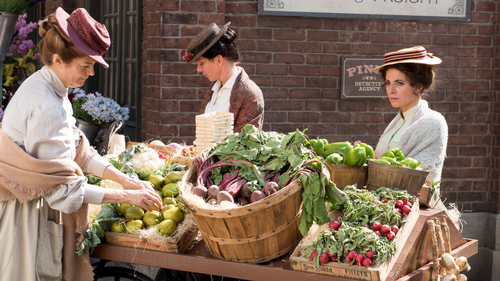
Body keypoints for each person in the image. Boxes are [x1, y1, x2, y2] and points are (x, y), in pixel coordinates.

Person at [0, 8, 162, 281]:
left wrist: (127, 181)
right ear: (58, 59)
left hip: (33, 205)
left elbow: (78, 151)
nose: (90, 72)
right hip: (25, 215)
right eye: (85, 66)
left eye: (93, 66)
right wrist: (127, 196)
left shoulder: (50, 86)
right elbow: (63, 191)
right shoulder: (46, 105)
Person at [369, 46, 448, 184]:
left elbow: (421, 174)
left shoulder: (433, 121)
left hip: (410, 203)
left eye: (399, 83)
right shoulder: (398, 122)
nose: (391, 90)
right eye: (388, 83)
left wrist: (371, 159)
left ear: (418, 86)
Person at [182, 22, 264, 133]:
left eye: (201, 63)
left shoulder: (249, 93)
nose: (198, 70)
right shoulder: (213, 88)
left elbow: (245, 145)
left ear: (219, 60)